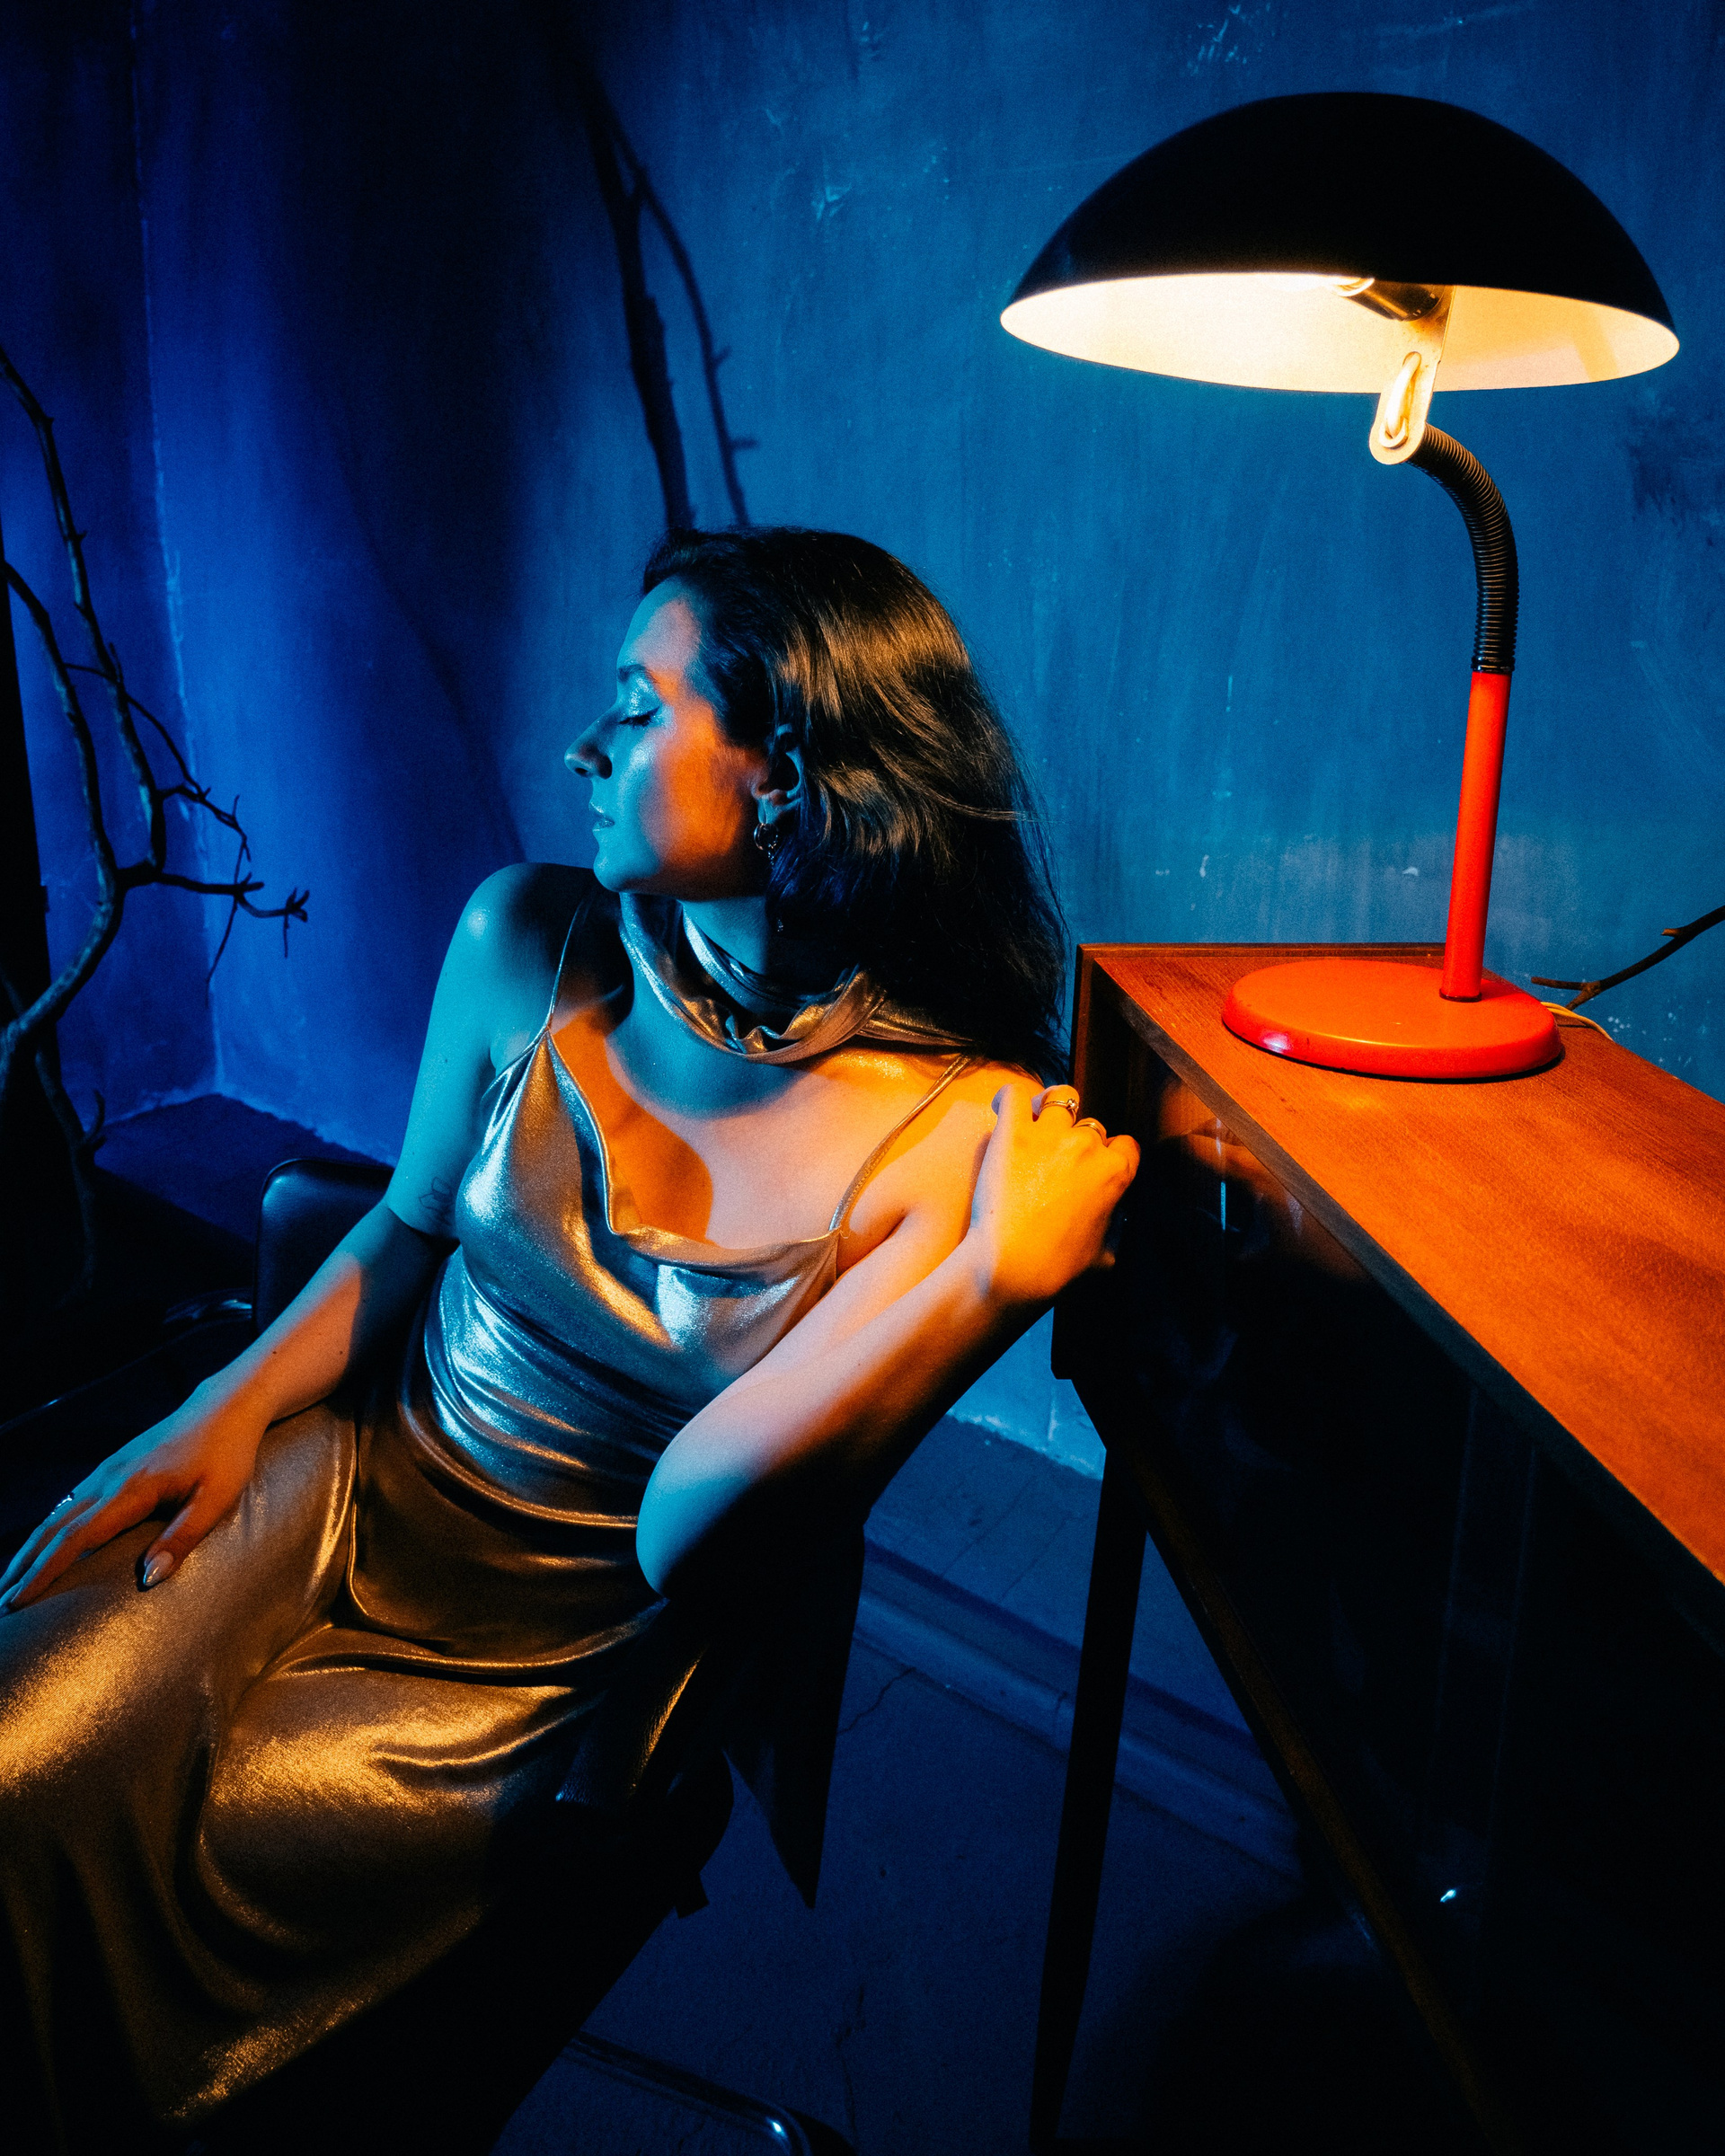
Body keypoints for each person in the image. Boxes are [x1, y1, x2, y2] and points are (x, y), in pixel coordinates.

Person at [0, 527, 1137, 2147]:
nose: (581, 748)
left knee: (223, 1959)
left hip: (551, 1664)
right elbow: (404, 1230)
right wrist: (223, 1407)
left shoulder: (960, 1145)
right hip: (345, 1485)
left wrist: (982, 1287)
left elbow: (688, 1533)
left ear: (787, 774)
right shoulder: (522, 937)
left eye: (638, 705)